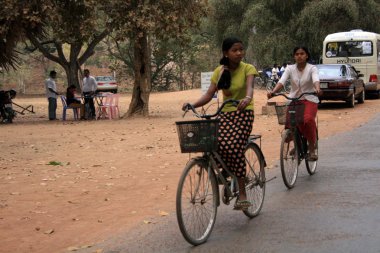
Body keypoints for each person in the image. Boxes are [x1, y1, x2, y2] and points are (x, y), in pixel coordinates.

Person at [182, 37, 258, 210]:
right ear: (226, 53)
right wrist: (192, 104)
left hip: (243, 114)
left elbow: (250, 89)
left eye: (241, 49)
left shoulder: (248, 68)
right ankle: (226, 171)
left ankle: (243, 193)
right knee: (214, 142)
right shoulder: (219, 71)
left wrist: (247, 98)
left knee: (233, 145)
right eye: (235, 50)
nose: (239, 53)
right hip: (224, 113)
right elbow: (209, 94)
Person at [267, 46, 321, 161]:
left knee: (308, 120)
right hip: (294, 99)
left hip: (309, 99)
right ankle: (298, 145)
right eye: (296, 54)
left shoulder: (312, 68)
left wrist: (317, 89)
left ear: (306, 56)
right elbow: (281, 82)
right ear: (294, 56)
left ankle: (311, 147)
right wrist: (273, 92)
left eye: (302, 54)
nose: (299, 56)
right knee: (291, 124)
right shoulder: (290, 68)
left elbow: (316, 79)